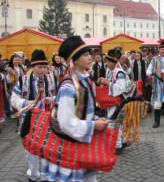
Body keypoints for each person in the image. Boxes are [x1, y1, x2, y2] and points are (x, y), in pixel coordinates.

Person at [41, 36, 109, 182]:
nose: (90, 57)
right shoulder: (69, 86)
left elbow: (86, 112)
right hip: (70, 147)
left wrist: (96, 120)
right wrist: (93, 125)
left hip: (82, 143)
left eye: (89, 54)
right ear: (75, 60)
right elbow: (66, 123)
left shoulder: (85, 80)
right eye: (85, 55)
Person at [11, 49, 55, 182]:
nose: (42, 70)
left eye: (44, 67)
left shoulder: (51, 78)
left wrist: (51, 99)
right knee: (31, 148)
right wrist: (26, 102)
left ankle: (47, 175)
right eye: (39, 67)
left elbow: (58, 96)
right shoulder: (23, 80)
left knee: (48, 147)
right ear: (32, 67)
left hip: (47, 118)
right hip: (29, 118)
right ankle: (34, 174)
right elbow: (13, 99)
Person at [98, 47, 135, 154]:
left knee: (114, 123)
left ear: (113, 61)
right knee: (115, 123)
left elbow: (120, 88)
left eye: (108, 61)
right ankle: (118, 143)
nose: (106, 63)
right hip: (112, 101)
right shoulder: (111, 71)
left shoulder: (119, 73)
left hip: (118, 101)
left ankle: (117, 145)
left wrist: (107, 83)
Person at [146, 42, 164, 128]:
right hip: (157, 84)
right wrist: (152, 74)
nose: (162, 51)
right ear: (159, 50)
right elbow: (148, 71)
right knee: (157, 103)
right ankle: (157, 122)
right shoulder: (154, 59)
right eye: (161, 49)